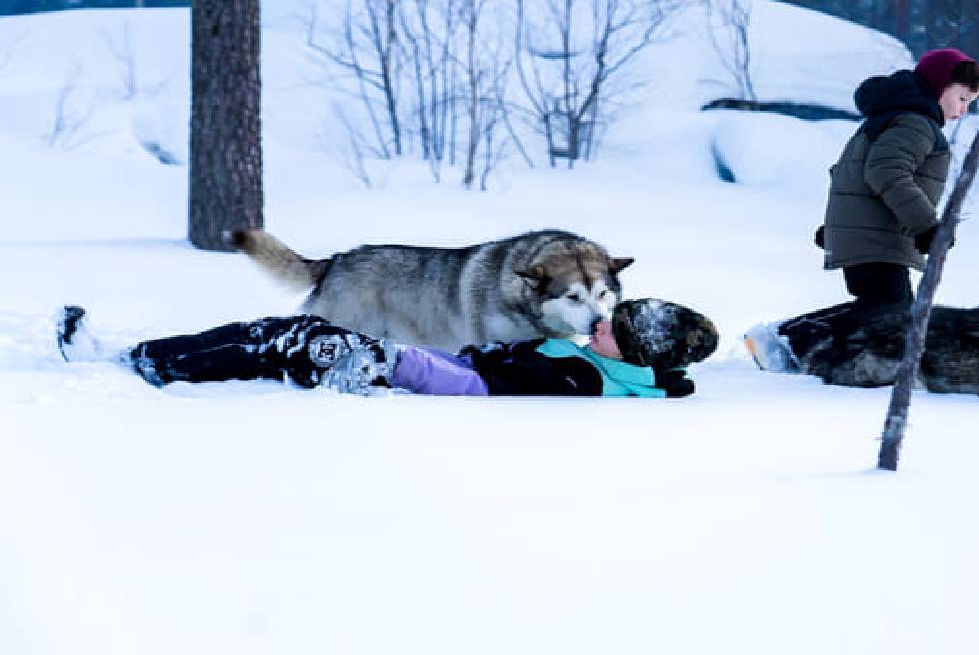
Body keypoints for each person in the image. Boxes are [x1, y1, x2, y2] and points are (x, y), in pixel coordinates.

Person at [745, 48, 979, 372]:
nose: (962, 110)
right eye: (961, 98)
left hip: (876, 235)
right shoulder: (915, 124)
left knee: (886, 309)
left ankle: (786, 341)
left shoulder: (891, 118)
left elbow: (852, 175)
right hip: (880, 239)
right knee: (891, 312)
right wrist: (926, 226)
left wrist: (839, 228)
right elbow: (886, 172)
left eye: (969, 103)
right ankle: (785, 340)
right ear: (938, 85)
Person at [56, 298, 719, 398]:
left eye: (615, 327)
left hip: (399, 375)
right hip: (403, 364)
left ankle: (141, 368)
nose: (598, 322)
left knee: (289, 340)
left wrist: (390, 365)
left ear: (637, 352)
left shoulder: (582, 377)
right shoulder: (592, 360)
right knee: (276, 332)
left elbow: (478, 389)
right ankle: (135, 357)